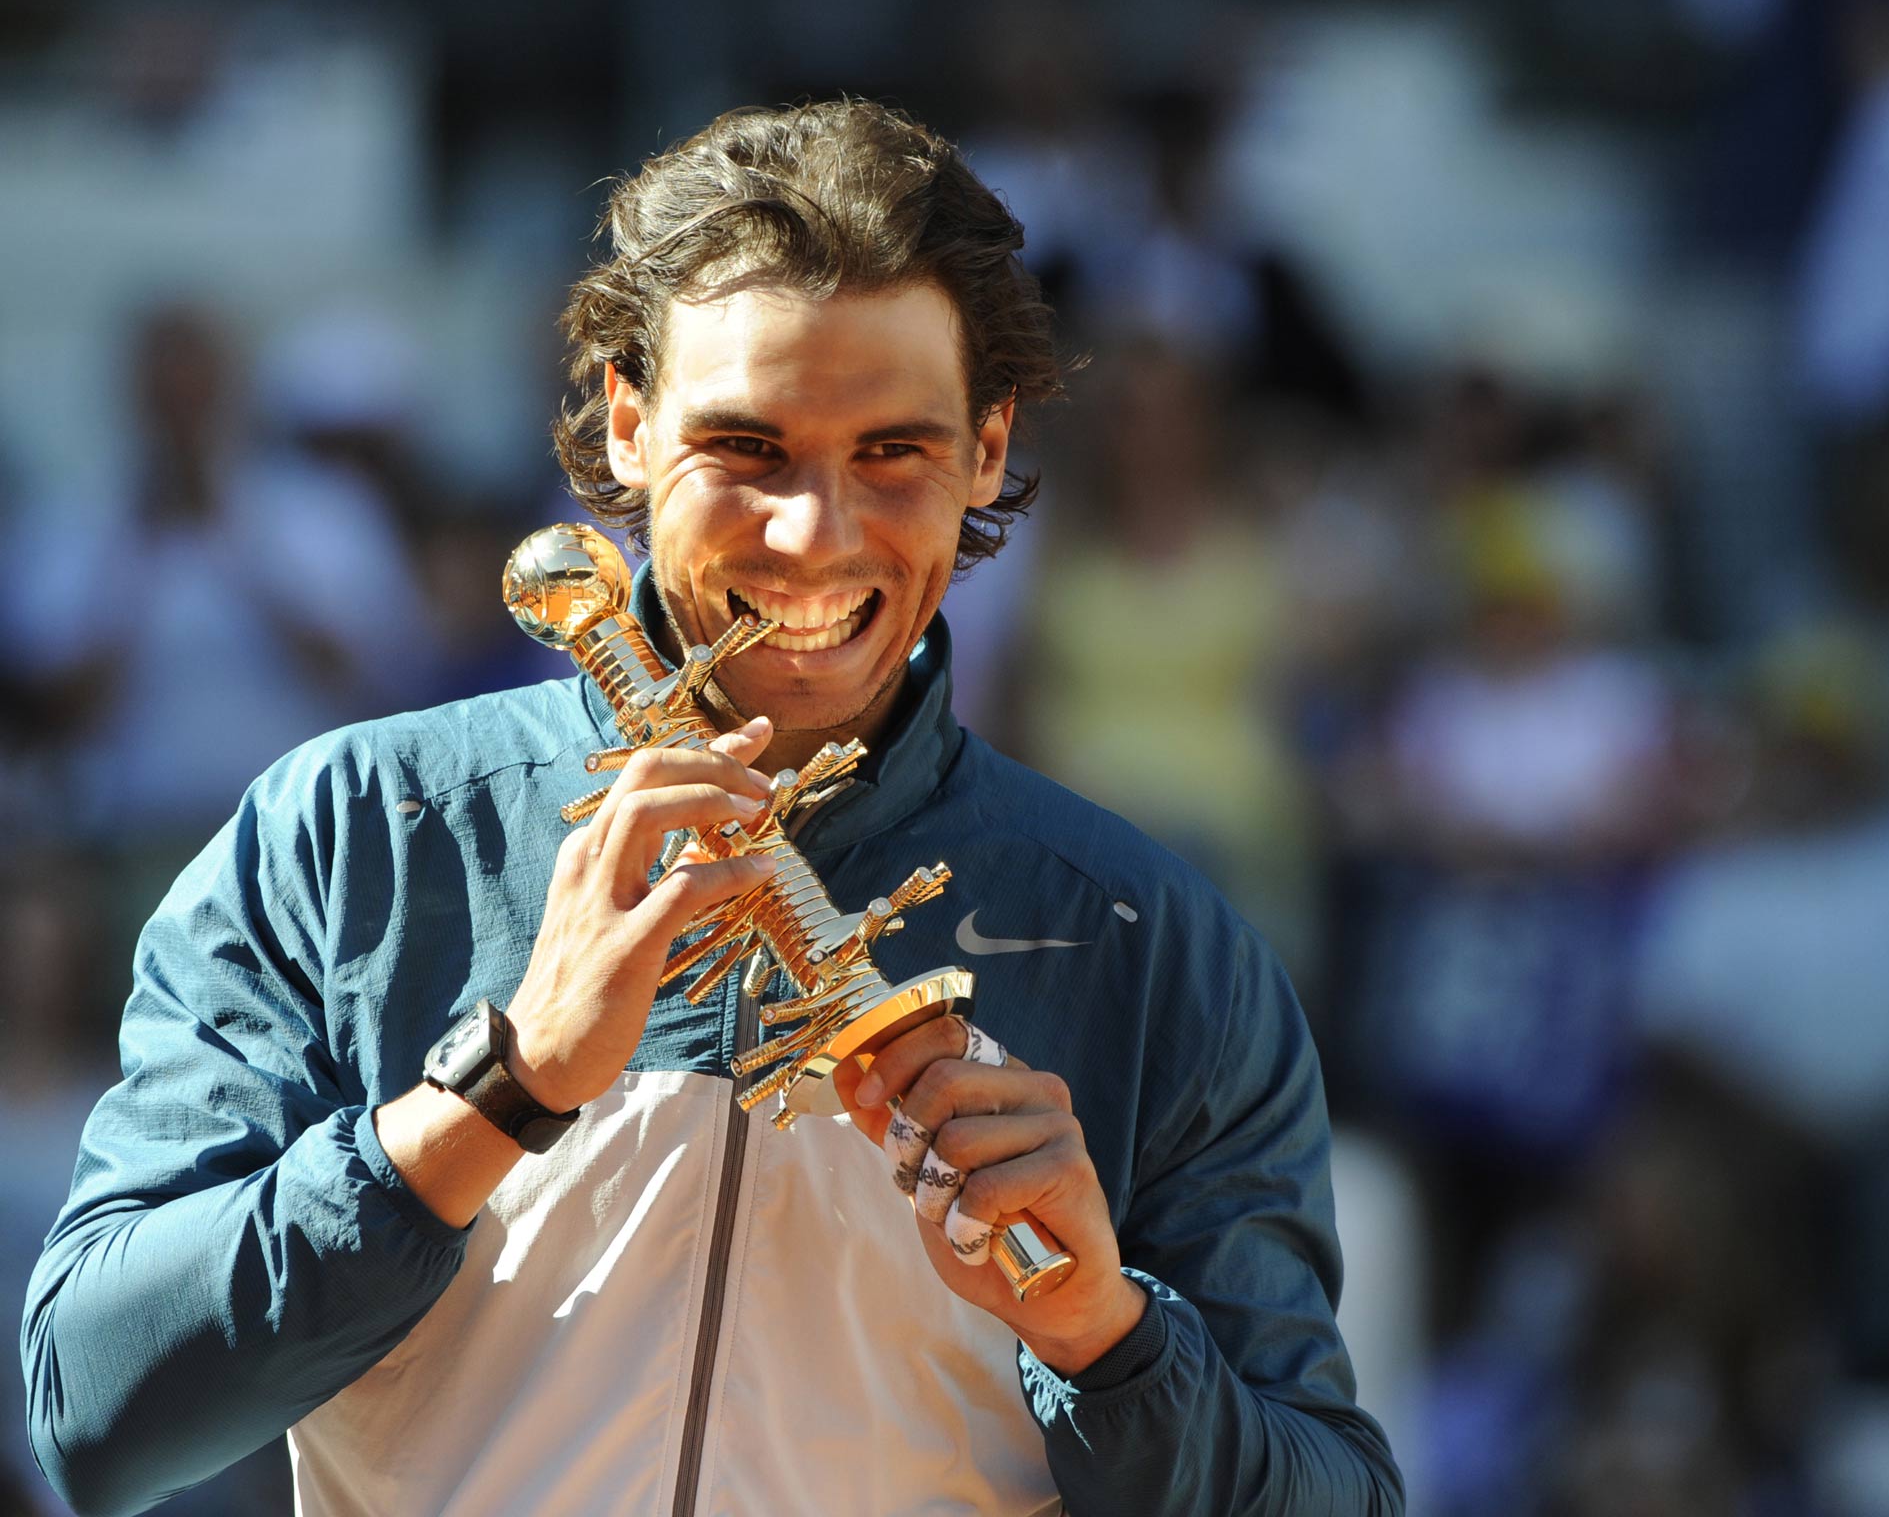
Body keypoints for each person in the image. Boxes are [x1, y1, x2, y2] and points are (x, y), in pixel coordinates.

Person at [20, 101, 1402, 1517]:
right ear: (627, 426)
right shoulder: (356, 838)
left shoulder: (1150, 943)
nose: (814, 533)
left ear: (989, 452)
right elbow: (98, 1417)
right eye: (746, 448)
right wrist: (499, 1091)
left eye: (893, 454)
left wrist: (1100, 1336)